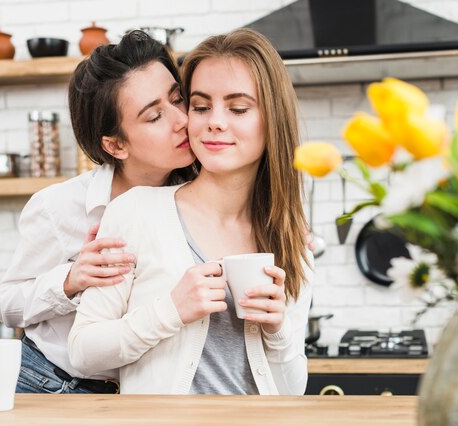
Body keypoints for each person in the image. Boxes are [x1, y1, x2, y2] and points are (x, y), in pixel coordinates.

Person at [68, 28, 314, 395]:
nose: (214, 121)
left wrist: (278, 332)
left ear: (272, 119)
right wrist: (171, 311)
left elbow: (293, 390)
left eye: (238, 108)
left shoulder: (290, 238)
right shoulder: (136, 212)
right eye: (199, 106)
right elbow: (82, 351)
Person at [0, 30, 198, 394]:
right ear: (116, 144)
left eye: (178, 99)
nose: (181, 119)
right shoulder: (59, 207)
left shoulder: (199, 197)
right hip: (50, 383)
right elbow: (6, 305)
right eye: (154, 116)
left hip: (140, 392)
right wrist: (70, 280)